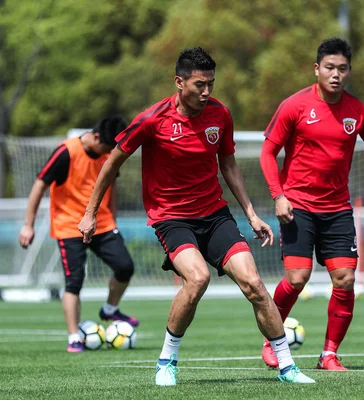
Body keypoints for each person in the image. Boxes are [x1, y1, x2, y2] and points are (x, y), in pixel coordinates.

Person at [78, 47, 315, 386]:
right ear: (179, 82)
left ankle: (288, 367)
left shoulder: (220, 115)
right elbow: (112, 162)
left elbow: (228, 165)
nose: (206, 92)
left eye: (211, 84)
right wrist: (90, 214)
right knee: (198, 278)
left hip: (215, 215)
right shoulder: (151, 119)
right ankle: (166, 361)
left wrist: (250, 214)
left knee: (255, 285)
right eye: (199, 85)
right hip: (171, 218)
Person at [259, 37, 364, 371]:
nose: (335, 74)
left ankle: (329, 354)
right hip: (297, 206)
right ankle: (270, 340)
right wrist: (278, 196)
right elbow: (268, 152)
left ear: (349, 70)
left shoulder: (359, 112)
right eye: (329, 68)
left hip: (337, 210)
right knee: (297, 278)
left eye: (342, 68)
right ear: (317, 69)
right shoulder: (294, 106)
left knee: (345, 279)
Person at [18, 116, 139, 353]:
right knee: (74, 281)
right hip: (69, 226)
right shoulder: (66, 152)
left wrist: (111, 216)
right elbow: (39, 184)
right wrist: (28, 224)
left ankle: (110, 310)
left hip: (102, 223)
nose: (110, 152)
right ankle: (74, 336)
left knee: (125, 267)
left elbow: (111, 185)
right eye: (107, 147)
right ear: (95, 137)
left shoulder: (110, 153)